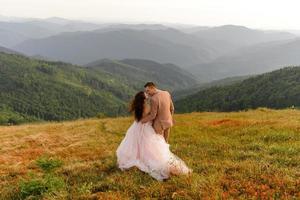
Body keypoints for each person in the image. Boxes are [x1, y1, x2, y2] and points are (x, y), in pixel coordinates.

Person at [116, 90, 192, 181]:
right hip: (146, 126)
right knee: (149, 146)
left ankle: (139, 158)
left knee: (137, 144)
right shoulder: (146, 106)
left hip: (136, 126)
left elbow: (139, 118)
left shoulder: (137, 107)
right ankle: (162, 166)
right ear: (143, 99)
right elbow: (152, 115)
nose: (148, 98)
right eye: (146, 97)